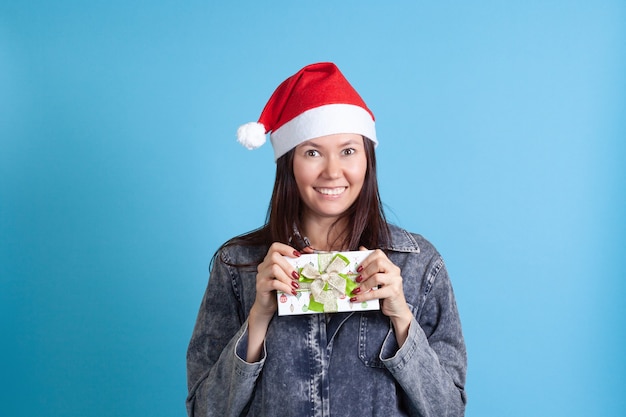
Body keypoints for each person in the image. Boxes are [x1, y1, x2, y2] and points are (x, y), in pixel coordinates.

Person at [186, 62, 467, 417]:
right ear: (288, 163)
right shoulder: (237, 266)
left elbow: (449, 410)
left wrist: (401, 318)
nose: (333, 171)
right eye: (312, 152)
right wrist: (258, 317)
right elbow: (204, 410)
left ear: (368, 159)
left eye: (348, 150)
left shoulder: (419, 264)